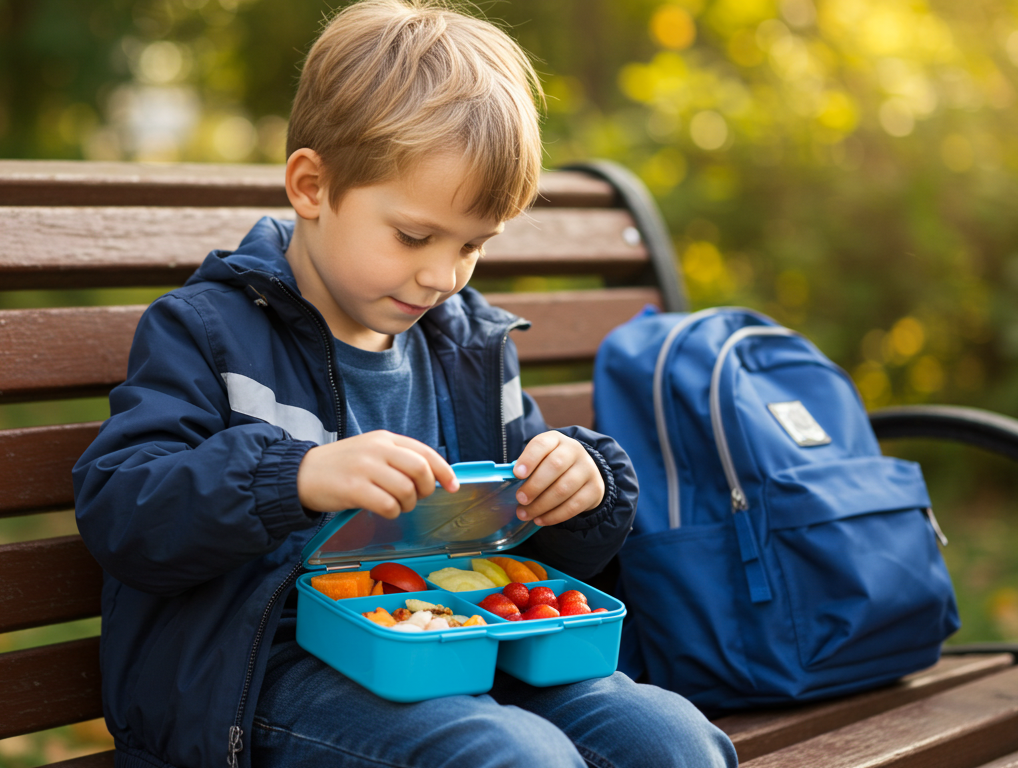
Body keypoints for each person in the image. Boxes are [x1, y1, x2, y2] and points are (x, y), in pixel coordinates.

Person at [72, 2, 740, 766]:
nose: (442, 275)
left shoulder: (467, 343)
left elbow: (530, 536)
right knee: (515, 759)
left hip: (465, 644)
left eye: (473, 246)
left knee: (670, 741)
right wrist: (295, 476)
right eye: (415, 237)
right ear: (311, 186)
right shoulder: (209, 331)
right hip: (274, 676)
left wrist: (579, 491)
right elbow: (124, 508)